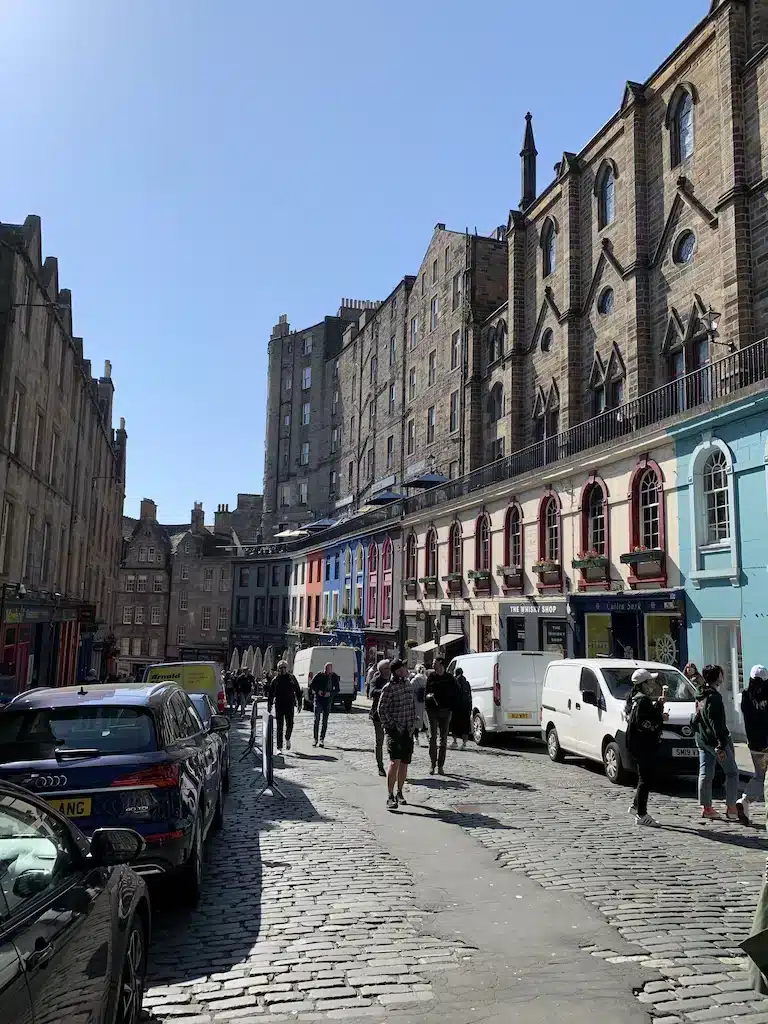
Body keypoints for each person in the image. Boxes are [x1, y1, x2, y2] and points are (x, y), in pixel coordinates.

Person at [693, 663, 740, 820]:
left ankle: (707, 807)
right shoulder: (714, 698)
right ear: (717, 678)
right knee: (732, 772)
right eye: (721, 674)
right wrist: (721, 744)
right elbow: (717, 723)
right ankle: (732, 808)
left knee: (706, 773)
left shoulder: (700, 694)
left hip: (702, 739)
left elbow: (697, 717)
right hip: (714, 741)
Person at [624, 668, 666, 827]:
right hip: (643, 744)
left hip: (636, 743)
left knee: (645, 777)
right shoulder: (643, 701)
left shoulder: (635, 698)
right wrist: (659, 719)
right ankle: (642, 813)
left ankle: (636, 806)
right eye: (650, 681)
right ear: (643, 684)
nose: (653, 683)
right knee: (645, 779)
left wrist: (658, 707)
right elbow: (644, 723)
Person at [377, 658, 417, 810]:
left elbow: (412, 705)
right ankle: (390, 795)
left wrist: (414, 723)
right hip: (395, 731)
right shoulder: (389, 688)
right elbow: (381, 710)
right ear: (397, 671)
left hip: (408, 730)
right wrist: (393, 726)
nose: (406, 670)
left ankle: (400, 792)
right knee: (395, 762)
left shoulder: (408, 684)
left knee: (405, 763)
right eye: (403, 668)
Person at [737, 665, 768, 825]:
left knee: (759, 775)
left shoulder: (745, 696)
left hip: (754, 744)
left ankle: (744, 801)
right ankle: (746, 800)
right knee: (762, 777)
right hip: (766, 743)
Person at [425, 657, 458, 775]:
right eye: (433, 663)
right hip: (432, 710)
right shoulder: (431, 677)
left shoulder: (450, 678)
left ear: (441, 664)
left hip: (445, 711)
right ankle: (432, 764)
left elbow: (456, 693)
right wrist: (428, 699)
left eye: (435, 663)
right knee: (432, 738)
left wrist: (451, 707)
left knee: (443, 739)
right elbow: (426, 692)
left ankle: (440, 766)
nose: (433, 665)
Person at [268, 660, 302, 752]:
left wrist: (299, 703)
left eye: (284, 667)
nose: (283, 669)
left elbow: (298, 691)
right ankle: (279, 747)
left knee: (290, 724)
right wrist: (269, 706)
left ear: (287, 668)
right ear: (278, 669)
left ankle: (287, 738)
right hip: (279, 704)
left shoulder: (291, 678)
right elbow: (270, 694)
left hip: (290, 704)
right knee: (279, 726)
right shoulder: (275, 680)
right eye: (281, 668)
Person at [369, 659, 391, 776]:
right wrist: (383, 690)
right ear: (381, 670)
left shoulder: (393, 679)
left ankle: (393, 765)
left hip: (391, 714)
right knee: (379, 741)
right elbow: (371, 692)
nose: (388, 671)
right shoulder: (376, 680)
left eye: (389, 668)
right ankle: (380, 766)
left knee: (391, 741)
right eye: (386, 668)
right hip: (378, 715)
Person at [310, 661, 339, 747]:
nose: (328, 670)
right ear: (324, 668)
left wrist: (330, 693)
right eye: (326, 669)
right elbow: (312, 684)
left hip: (328, 701)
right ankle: (315, 739)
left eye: (329, 669)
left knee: (325, 721)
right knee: (317, 720)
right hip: (318, 699)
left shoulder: (334, 676)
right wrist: (317, 691)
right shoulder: (319, 675)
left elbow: (337, 689)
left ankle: (322, 739)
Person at [451, 667, 472, 749]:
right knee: (465, 726)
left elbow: (452, 695)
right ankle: (464, 744)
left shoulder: (454, 682)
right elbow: (470, 696)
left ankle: (455, 742)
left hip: (456, 708)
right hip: (466, 708)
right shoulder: (467, 683)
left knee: (454, 725)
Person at [410, 663, 428, 746]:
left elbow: (410, 690)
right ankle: (428, 737)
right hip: (424, 702)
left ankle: (416, 738)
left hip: (416, 702)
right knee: (425, 721)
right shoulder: (426, 679)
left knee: (416, 721)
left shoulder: (415, 680)